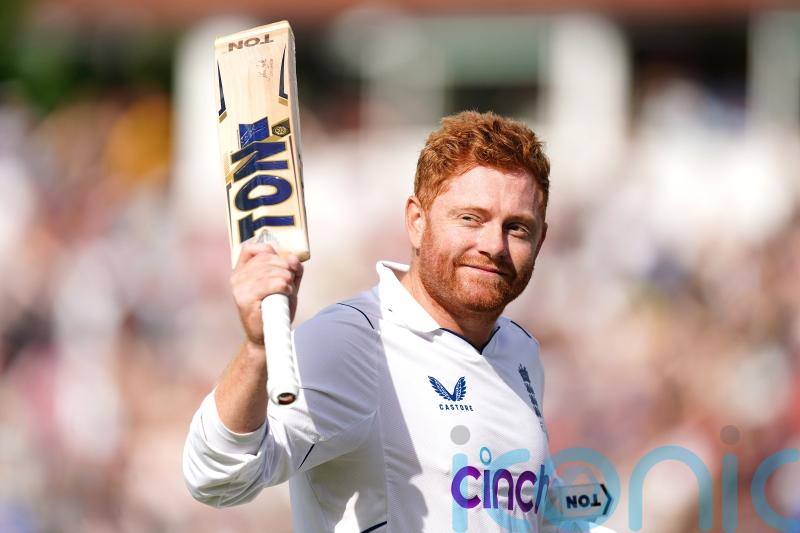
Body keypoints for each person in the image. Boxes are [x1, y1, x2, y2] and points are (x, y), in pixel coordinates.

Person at [183, 110, 569, 532]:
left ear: (540, 240)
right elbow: (216, 478)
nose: (493, 245)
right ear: (416, 221)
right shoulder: (352, 342)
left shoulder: (519, 350)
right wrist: (258, 351)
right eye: (470, 218)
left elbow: (535, 518)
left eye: (517, 227)